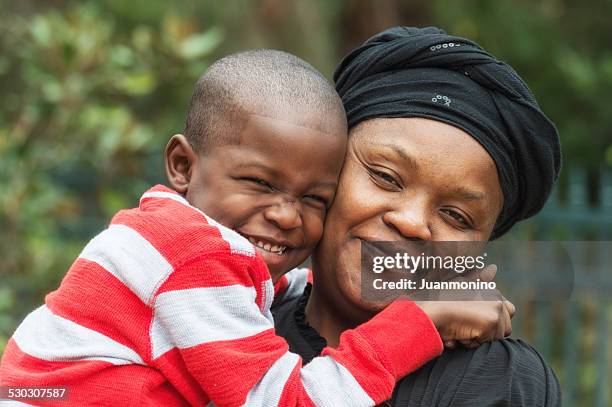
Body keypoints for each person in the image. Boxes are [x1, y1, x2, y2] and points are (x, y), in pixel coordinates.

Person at [0, 49, 512, 406]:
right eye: (260, 183)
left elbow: (252, 281)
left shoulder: (169, 237)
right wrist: (422, 320)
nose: (287, 215)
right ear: (182, 165)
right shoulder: (193, 262)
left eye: (314, 198)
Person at [273, 27, 562, 406]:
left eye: (457, 216)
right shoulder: (228, 322)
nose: (411, 222)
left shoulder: (492, 380)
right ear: (328, 171)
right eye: (386, 177)